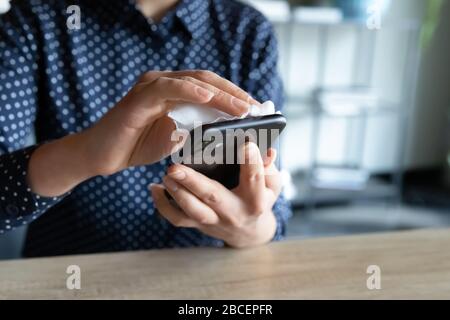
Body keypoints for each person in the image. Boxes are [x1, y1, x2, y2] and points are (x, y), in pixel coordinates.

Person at [0, 0, 292, 257]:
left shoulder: (247, 30)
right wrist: (85, 153)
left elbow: (272, 202)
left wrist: (250, 228)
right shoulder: (37, 18)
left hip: (205, 281)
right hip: (70, 281)